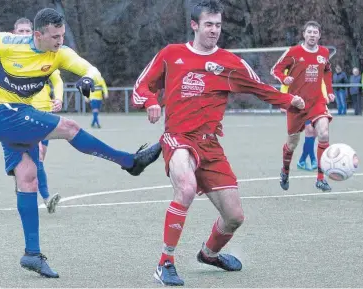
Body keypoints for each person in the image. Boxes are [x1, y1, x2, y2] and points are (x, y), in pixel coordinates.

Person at [0, 8, 161, 278]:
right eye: (54, 37)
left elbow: (90, 68)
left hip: (18, 118)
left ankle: (32, 254)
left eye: (62, 35)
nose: (60, 41)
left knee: (28, 178)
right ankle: (129, 162)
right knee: (70, 127)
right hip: (2, 113)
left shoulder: (59, 53)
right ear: (38, 35)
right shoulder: (7, 43)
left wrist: (88, 78)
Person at [132, 0, 305, 286]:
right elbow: (142, 86)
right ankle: (165, 262)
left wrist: (289, 101)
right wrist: (151, 102)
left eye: (218, 25)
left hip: (210, 146)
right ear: (194, 25)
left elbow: (259, 88)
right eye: (209, 24)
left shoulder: (230, 62)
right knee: (185, 188)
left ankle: (209, 253)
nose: (214, 30)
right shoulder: (171, 54)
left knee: (234, 217)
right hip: (177, 139)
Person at [271, 20, 336, 192]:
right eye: (309, 32)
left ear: (319, 35)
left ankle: (320, 178)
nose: (312, 35)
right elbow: (275, 70)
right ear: (304, 34)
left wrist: (329, 91)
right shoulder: (293, 52)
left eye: (315, 32)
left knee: (323, 133)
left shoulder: (324, 52)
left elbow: (327, 71)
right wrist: (284, 79)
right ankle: (285, 170)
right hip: (296, 103)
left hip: (316, 102)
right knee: (292, 144)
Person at [13, 17, 61, 214]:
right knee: (37, 156)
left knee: (35, 162)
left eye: (27, 31)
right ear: (14, 34)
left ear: (34, 34)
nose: (24, 34)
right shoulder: (8, 56)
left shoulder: (44, 56)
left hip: (44, 113)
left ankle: (23, 189)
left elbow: (57, 80)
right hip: (21, 114)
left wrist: (57, 97)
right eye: (20, 31)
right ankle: (47, 198)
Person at [280, 78, 317, 171]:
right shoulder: (292, 65)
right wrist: (283, 102)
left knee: (312, 132)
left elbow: (321, 83)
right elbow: (285, 82)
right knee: (309, 130)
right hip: (297, 104)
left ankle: (303, 160)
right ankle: (312, 160)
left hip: (312, 102)